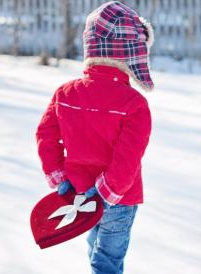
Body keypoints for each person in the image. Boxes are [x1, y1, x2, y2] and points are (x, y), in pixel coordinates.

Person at [35, 1, 154, 273]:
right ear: (130, 53)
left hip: (81, 195)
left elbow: (46, 135)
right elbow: (128, 158)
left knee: (96, 250)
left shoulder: (65, 94)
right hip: (119, 198)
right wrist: (108, 189)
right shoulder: (134, 104)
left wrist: (59, 176)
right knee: (108, 260)